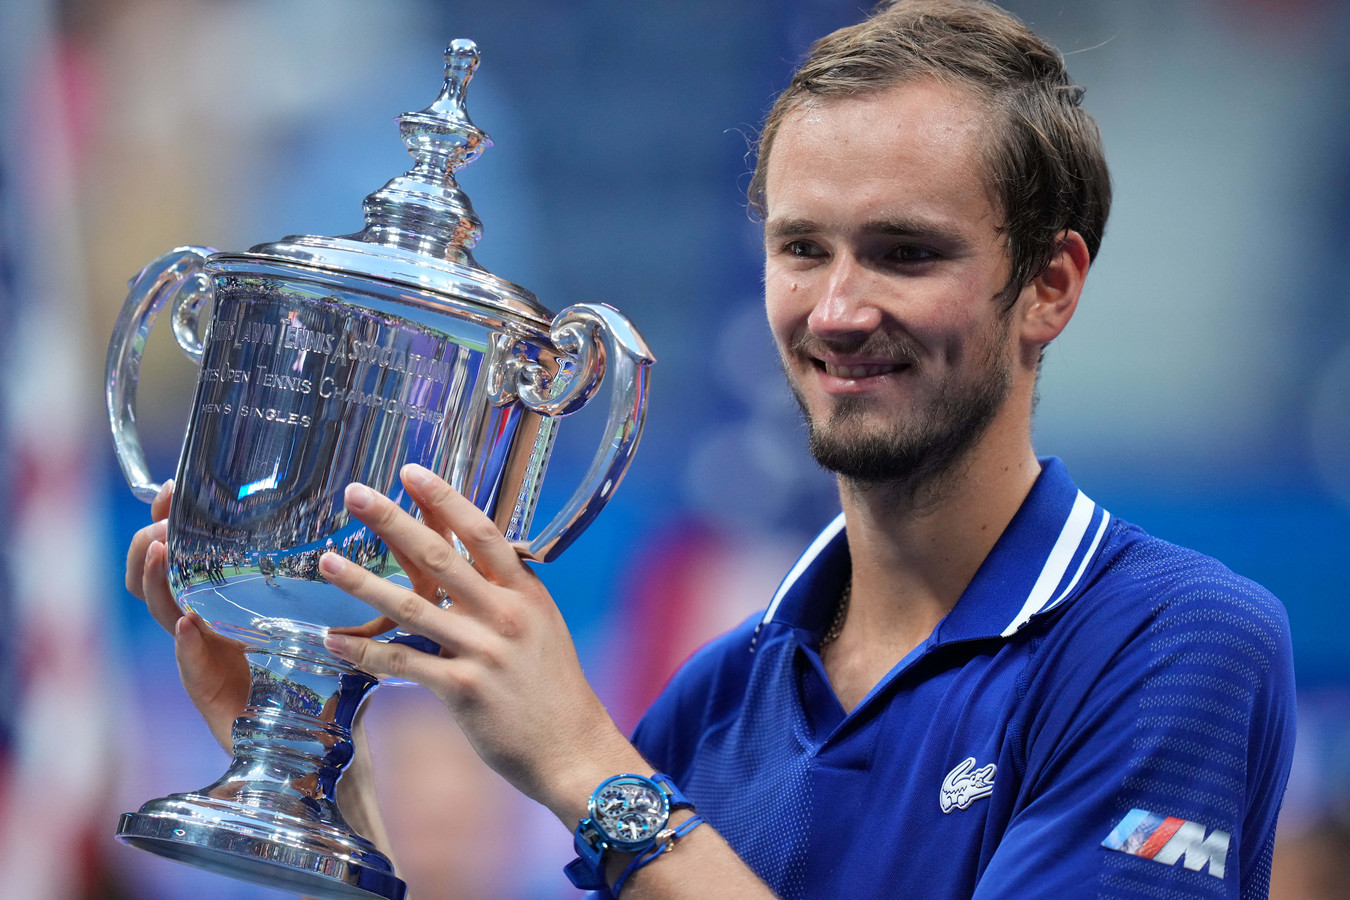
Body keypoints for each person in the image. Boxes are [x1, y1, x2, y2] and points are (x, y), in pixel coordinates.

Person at [125, 1, 1296, 897]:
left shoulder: (1176, 641)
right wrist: (317, 777)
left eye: (904, 252)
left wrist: (590, 768)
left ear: (1048, 286)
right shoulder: (718, 698)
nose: (836, 309)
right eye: (802, 250)